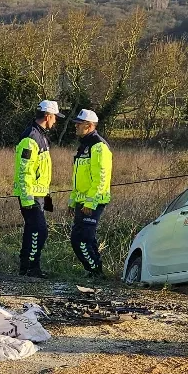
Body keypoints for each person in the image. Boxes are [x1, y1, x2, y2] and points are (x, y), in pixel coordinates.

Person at [14, 100, 58, 277]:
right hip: (30, 195)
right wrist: (27, 199)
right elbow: (25, 171)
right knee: (39, 231)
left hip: (37, 194)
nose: (55, 121)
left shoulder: (40, 136)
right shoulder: (31, 138)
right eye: (54, 117)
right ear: (48, 116)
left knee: (34, 230)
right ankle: (31, 268)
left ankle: (27, 267)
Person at [68, 109, 112, 276]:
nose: (76, 127)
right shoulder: (85, 145)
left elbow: (101, 177)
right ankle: (94, 270)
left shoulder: (99, 146)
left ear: (89, 125)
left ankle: (95, 271)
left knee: (81, 240)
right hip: (82, 201)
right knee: (83, 239)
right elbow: (78, 178)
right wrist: (73, 201)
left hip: (94, 201)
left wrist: (90, 203)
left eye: (79, 124)